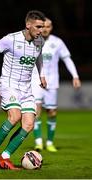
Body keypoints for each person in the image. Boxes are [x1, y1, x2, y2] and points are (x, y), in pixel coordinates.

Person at [0, 10, 47, 170]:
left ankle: (5, 157)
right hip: (10, 85)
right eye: (38, 27)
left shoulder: (39, 41)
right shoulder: (11, 39)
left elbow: (39, 57)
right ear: (28, 25)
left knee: (29, 124)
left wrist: (42, 75)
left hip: (26, 88)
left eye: (42, 27)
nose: (41, 30)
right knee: (15, 116)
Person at [31, 18, 81, 152]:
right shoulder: (32, 40)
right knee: (36, 111)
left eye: (48, 26)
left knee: (52, 113)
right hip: (35, 81)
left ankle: (50, 142)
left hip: (52, 83)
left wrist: (75, 76)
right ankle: (38, 142)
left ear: (51, 27)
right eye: (43, 26)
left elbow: (67, 59)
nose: (45, 29)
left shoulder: (57, 42)